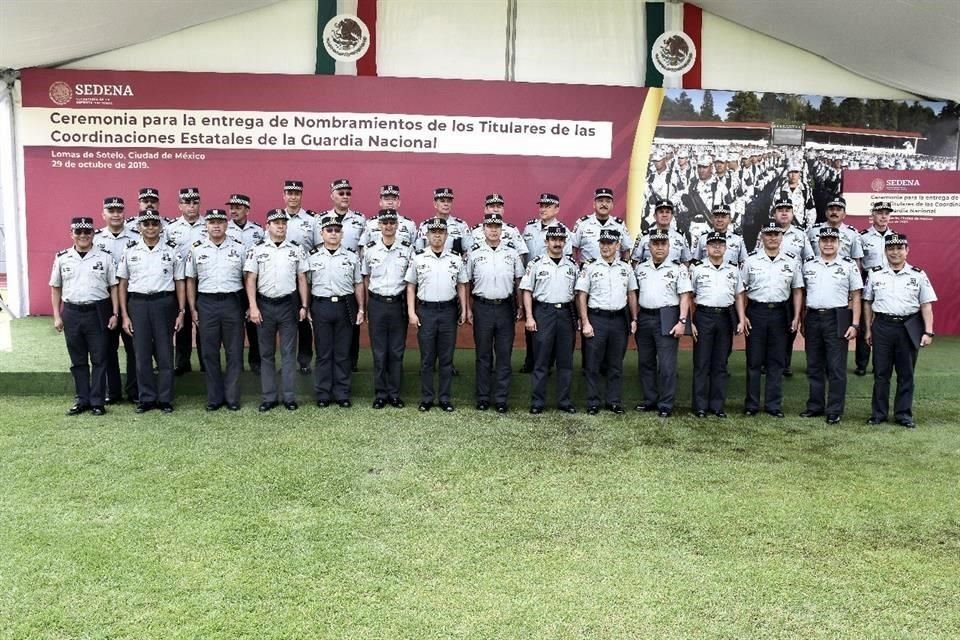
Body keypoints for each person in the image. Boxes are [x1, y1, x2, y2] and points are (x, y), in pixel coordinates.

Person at [863, 234, 937, 428]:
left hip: (908, 327)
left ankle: (903, 414)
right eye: (891, 248)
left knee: (906, 374)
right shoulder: (875, 273)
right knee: (881, 373)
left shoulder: (918, 275)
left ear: (907, 250)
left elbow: (926, 305)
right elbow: (868, 302)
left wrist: (928, 332)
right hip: (882, 326)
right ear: (885, 251)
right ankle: (878, 414)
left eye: (899, 248)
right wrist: (869, 329)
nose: (895, 252)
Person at [117, 208, 186, 414]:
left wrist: (181, 310)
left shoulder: (172, 250)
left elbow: (180, 281)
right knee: (142, 353)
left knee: (165, 353)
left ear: (160, 226)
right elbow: (122, 283)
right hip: (138, 304)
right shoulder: (130, 250)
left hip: (164, 303)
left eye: (154, 224)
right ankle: (146, 398)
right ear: (139, 228)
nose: (150, 227)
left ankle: (165, 398)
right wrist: (125, 315)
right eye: (146, 224)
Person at [50, 216, 119, 416]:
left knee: (99, 358)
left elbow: (114, 287)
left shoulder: (104, 257)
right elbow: (55, 287)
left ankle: (97, 401)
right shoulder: (62, 257)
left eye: (87, 232)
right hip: (71, 312)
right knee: (78, 360)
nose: (83, 236)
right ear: (71, 234)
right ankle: (82, 399)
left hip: (97, 311)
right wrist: (57, 315)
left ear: (93, 234)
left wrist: (115, 313)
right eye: (78, 232)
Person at [244, 209, 310, 412]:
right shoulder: (257, 250)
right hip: (264, 305)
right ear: (268, 226)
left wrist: (304, 306)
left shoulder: (296, 250)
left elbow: (302, 279)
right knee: (266, 353)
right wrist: (253, 307)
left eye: (283, 223)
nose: (280, 226)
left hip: (288, 305)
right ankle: (269, 397)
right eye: (276, 223)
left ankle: (289, 397)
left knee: (289, 352)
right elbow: (251, 279)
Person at [799, 227, 863, 424]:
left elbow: (857, 296)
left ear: (839, 243)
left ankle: (834, 409)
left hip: (838, 317)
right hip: (813, 317)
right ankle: (815, 406)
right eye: (824, 240)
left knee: (836, 367)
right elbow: (802, 294)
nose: (828, 244)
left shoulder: (848, 265)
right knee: (814, 365)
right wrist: (802, 319)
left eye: (832, 241)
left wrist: (855, 323)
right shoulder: (808, 265)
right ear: (818, 243)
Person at [184, 208, 246, 411]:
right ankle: (214, 398)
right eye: (212, 222)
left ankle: (232, 397)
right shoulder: (196, 249)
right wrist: (192, 307)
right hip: (207, 303)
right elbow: (191, 280)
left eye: (220, 221)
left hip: (232, 302)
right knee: (209, 353)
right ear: (206, 225)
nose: (216, 225)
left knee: (234, 352)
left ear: (226, 224)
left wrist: (246, 305)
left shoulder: (240, 248)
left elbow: (248, 279)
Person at [740, 220, 804, 418]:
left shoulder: (792, 261)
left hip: (780, 313)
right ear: (762, 236)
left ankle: (773, 405)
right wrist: (743, 316)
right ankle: (751, 404)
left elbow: (797, 290)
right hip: (756, 313)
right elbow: (741, 291)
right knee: (754, 361)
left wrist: (796, 317)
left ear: (781, 237)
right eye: (768, 234)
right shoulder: (750, 260)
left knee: (776, 361)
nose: (772, 238)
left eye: (776, 234)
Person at [405, 217, 468, 412]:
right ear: (428, 235)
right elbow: (410, 286)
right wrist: (411, 312)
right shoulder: (419, 258)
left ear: (446, 236)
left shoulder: (455, 259)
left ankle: (445, 398)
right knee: (427, 359)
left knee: (446, 358)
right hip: (426, 311)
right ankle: (426, 398)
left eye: (441, 233)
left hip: (448, 311)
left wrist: (464, 309)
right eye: (434, 233)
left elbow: (461, 285)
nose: (437, 236)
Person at [464, 210, 524, 412]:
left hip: (505, 307)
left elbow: (518, 281)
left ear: (502, 230)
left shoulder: (512, 253)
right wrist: (469, 309)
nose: (493, 230)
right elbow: (466, 282)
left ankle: (501, 399)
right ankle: (482, 397)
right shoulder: (474, 253)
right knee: (483, 355)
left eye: (497, 227)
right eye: (489, 227)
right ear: (483, 229)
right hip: (482, 307)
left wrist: (520, 305)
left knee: (504, 355)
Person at [576, 228, 638, 415]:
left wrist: (634, 318)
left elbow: (632, 293)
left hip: (619, 319)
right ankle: (593, 401)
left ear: (617, 245)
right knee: (593, 363)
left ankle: (613, 401)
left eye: (610, 243)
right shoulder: (590, 267)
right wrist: (585, 321)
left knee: (615, 363)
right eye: (602, 243)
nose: (605, 247)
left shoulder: (626, 268)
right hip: (597, 319)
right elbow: (581, 296)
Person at [632, 229, 693, 417]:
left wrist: (682, 321)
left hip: (667, 317)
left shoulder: (678, 269)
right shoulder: (640, 268)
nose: (659, 248)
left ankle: (666, 404)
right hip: (645, 317)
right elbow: (633, 293)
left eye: (663, 244)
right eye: (655, 244)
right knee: (646, 362)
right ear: (649, 247)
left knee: (667, 365)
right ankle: (650, 400)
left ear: (668, 247)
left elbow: (685, 296)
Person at [307, 212, 364, 408]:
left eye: (337, 230)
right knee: (323, 353)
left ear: (342, 234)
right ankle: (323, 393)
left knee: (342, 353)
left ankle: (341, 393)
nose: (333, 233)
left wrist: (361, 309)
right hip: (321, 306)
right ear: (322, 233)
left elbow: (358, 283)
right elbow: (306, 284)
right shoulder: (312, 256)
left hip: (344, 305)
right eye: (329, 230)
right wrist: (306, 307)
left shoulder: (351, 256)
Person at [521, 224, 578, 414]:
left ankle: (564, 401)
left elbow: (578, 294)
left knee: (565, 361)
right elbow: (527, 291)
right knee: (541, 360)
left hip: (565, 314)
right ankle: (537, 402)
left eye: (561, 240)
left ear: (565, 242)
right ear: (546, 242)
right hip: (543, 313)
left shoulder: (572, 265)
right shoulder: (535, 263)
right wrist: (529, 317)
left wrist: (578, 318)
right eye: (553, 239)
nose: (557, 243)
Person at [689, 232, 746, 418]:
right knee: (702, 363)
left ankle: (717, 405)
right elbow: (689, 297)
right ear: (706, 247)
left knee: (721, 363)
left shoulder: (733, 270)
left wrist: (741, 318)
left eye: (720, 244)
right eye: (713, 244)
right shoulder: (697, 269)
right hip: (704, 316)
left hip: (725, 317)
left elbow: (739, 296)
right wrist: (691, 322)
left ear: (725, 248)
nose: (716, 247)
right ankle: (699, 406)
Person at [361, 208, 413, 409]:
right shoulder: (370, 249)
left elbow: (410, 282)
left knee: (396, 350)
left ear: (397, 225)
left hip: (397, 303)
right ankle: (380, 393)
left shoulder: (407, 249)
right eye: (385, 223)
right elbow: (366, 279)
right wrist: (365, 306)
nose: (389, 226)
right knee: (380, 351)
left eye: (392, 222)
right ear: (379, 225)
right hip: (377, 303)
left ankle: (394, 393)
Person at [93, 196, 139, 403]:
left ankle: (134, 391)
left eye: (119, 210)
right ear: (104, 215)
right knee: (108, 347)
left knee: (134, 348)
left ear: (124, 213)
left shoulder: (136, 237)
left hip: (132, 297)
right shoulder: (94, 238)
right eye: (111, 211)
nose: (116, 214)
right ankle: (113, 392)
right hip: (105, 299)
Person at [317, 179, 366, 372]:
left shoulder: (360, 220)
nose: (345, 196)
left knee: (351, 330)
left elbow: (363, 250)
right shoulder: (320, 219)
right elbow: (316, 245)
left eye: (348, 193)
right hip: (326, 276)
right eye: (341, 193)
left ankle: (350, 365)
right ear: (332, 195)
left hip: (350, 276)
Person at [761, 197, 813, 377]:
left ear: (792, 213)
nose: (784, 213)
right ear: (774, 213)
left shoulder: (801, 235)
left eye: (787, 210)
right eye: (780, 209)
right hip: (770, 286)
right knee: (768, 327)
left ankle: (785, 362)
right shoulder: (766, 233)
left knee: (789, 326)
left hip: (793, 288)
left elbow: (809, 260)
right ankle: (766, 362)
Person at [520, 192, 572, 373]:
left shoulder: (563, 231)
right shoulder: (529, 228)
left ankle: (548, 363)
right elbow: (524, 255)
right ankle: (531, 361)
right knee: (531, 324)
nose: (543, 209)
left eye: (548, 206)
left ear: (557, 209)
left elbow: (568, 259)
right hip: (532, 280)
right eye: (541, 205)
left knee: (551, 329)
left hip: (552, 283)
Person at [166, 187, 207, 376]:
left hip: (203, 281)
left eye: (195, 202)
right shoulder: (170, 228)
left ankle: (206, 362)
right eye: (187, 202)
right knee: (182, 323)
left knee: (204, 324)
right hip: (179, 283)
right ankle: (182, 362)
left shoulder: (208, 225)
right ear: (180, 205)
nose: (191, 206)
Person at [855, 200, 896, 376]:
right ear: (872, 215)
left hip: (890, 284)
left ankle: (881, 364)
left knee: (884, 325)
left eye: (887, 213)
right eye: (880, 213)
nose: (883, 216)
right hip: (868, 282)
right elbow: (858, 263)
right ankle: (861, 364)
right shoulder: (862, 236)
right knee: (866, 324)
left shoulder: (895, 237)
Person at [280, 179, 317, 375]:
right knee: (284, 322)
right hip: (282, 278)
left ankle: (304, 360)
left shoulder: (312, 220)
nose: (293, 196)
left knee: (304, 320)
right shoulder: (276, 219)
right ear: (284, 196)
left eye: (296, 193)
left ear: (301, 196)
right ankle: (286, 362)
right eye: (289, 193)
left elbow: (319, 247)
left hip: (305, 277)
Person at [225, 193, 264, 373]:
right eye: (231, 207)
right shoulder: (224, 229)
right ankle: (236, 364)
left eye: (238, 207)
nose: (233, 210)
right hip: (232, 282)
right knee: (233, 326)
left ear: (247, 209)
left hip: (253, 282)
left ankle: (256, 362)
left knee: (254, 324)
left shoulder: (258, 231)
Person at [572, 187, 633, 262]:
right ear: (594, 204)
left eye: (608, 202)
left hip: (613, 271)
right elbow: (573, 248)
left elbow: (626, 250)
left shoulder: (619, 225)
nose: (604, 204)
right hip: (588, 271)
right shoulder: (583, 223)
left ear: (612, 205)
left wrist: (624, 269)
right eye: (600, 201)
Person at [806, 195, 863, 267]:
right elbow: (805, 257)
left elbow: (856, 260)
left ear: (844, 214)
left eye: (838, 210)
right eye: (831, 209)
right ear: (826, 213)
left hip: (842, 274)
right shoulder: (813, 231)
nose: (834, 212)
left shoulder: (852, 234)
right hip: (817, 273)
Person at [631, 199, 691, 265]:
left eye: (667, 212)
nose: (664, 215)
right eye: (661, 212)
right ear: (655, 216)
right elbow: (635, 262)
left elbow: (686, 262)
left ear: (672, 216)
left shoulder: (680, 237)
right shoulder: (644, 237)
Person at [469, 194, 528, 260]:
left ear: (503, 210)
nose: (496, 209)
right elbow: (468, 255)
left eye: (499, 206)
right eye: (492, 206)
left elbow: (521, 254)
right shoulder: (475, 231)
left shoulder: (512, 230)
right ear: (485, 209)